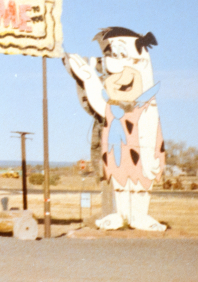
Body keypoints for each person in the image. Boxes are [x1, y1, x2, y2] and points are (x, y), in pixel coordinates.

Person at [64, 27, 166, 231]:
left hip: (140, 136)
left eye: (119, 54)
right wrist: (88, 77)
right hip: (120, 137)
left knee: (141, 178)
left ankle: (139, 216)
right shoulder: (122, 82)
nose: (111, 60)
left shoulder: (136, 81)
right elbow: (106, 106)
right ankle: (118, 214)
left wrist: (89, 78)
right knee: (119, 177)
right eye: (111, 54)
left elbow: (107, 106)